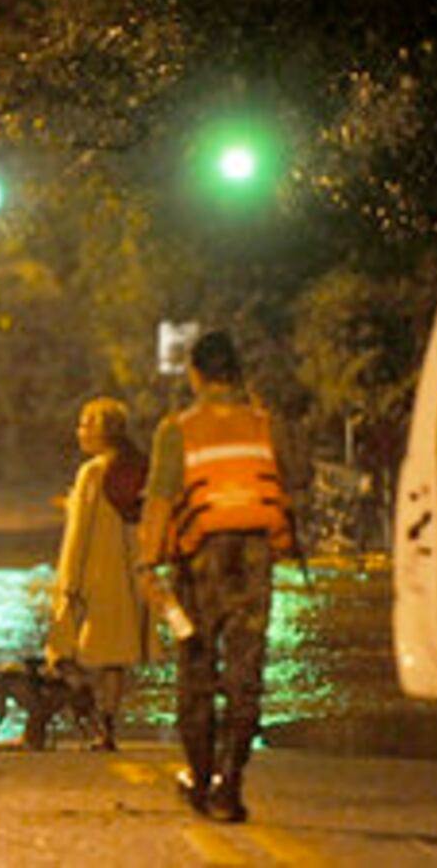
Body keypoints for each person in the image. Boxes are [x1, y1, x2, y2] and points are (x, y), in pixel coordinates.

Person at [137, 330, 290, 823]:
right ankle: (231, 785)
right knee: (246, 676)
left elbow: (160, 501)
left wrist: (147, 563)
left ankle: (200, 779)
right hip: (255, 557)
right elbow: (296, 475)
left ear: (196, 374)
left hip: (199, 559)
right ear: (237, 372)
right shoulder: (266, 423)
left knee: (197, 672)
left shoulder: (178, 429)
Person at [46, 398, 157, 752]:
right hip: (130, 578)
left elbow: (80, 534)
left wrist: (68, 584)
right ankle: (106, 729)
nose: (79, 430)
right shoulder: (139, 468)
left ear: (102, 430)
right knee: (115, 659)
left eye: (84, 424)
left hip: (95, 576)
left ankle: (80, 711)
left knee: (63, 652)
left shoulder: (93, 472)